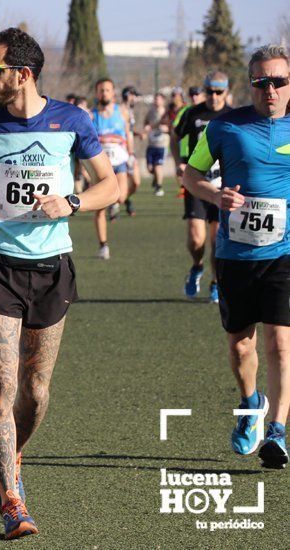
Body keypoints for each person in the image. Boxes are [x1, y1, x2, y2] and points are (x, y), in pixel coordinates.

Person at [0, 27, 118, 539]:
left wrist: (74, 203)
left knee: (36, 393)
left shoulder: (72, 120)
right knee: (2, 381)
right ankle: (12, 500)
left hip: (52, 268)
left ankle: (12, 455)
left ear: (23, 74)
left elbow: (112, 183)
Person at [182, 45, 290, 470]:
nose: (270, 90)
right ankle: (251, 405)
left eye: (279, 81)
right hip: (235, 253)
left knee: (281, 341)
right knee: (240, 345)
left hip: (284, 252)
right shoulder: (225, 126)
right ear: (251, 84)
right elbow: (191, 176)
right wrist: (216, 194)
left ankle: (278, 431)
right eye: (262, 82)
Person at [174, 71, 232, 303]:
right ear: (204, 90)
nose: (214, 96)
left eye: (219, 92)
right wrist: (179, 161)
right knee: (196, 239)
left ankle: (216, 282)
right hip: (197, 183)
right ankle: (197, 266)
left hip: (222, 186)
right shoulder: (192, 114)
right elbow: (175, 136)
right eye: (210, 91)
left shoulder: (233, 116)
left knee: (217, 240)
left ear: (226, 92)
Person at [91, 78, 132, 260]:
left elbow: (128, 133)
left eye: (107, 90)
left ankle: (114, 203)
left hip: (120, 161)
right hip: (100, 165)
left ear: (113, 93)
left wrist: (131, 155)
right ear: (96, 93)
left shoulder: (122, 112)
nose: (104, 93)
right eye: (101, 90)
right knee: (99, 207)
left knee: (121, 196)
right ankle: (103, 245)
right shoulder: (92, 116)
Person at [119, 86, 141, 215]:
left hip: (130, 152)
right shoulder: (119, 110)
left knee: (136, 182)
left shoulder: (130, 111)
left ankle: (125, 200)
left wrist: (137, 134)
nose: (136, 98)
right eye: (134, 95)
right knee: (119, 183)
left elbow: (129, 132)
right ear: (128, 95)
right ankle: (116, 204)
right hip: (121, 152)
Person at [143, 92, 169, 196]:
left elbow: (172, 126)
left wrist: (166, 129)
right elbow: (146, 123)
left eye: (157, 99)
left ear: (163, 100)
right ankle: (156, 178)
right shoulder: (151, 112)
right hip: (151, 144)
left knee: (158, 165)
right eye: (155, 99)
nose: (155, 101)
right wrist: (146, 128)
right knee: (150, 168)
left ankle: (159, 187)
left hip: (162, 144)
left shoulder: (167, 113)